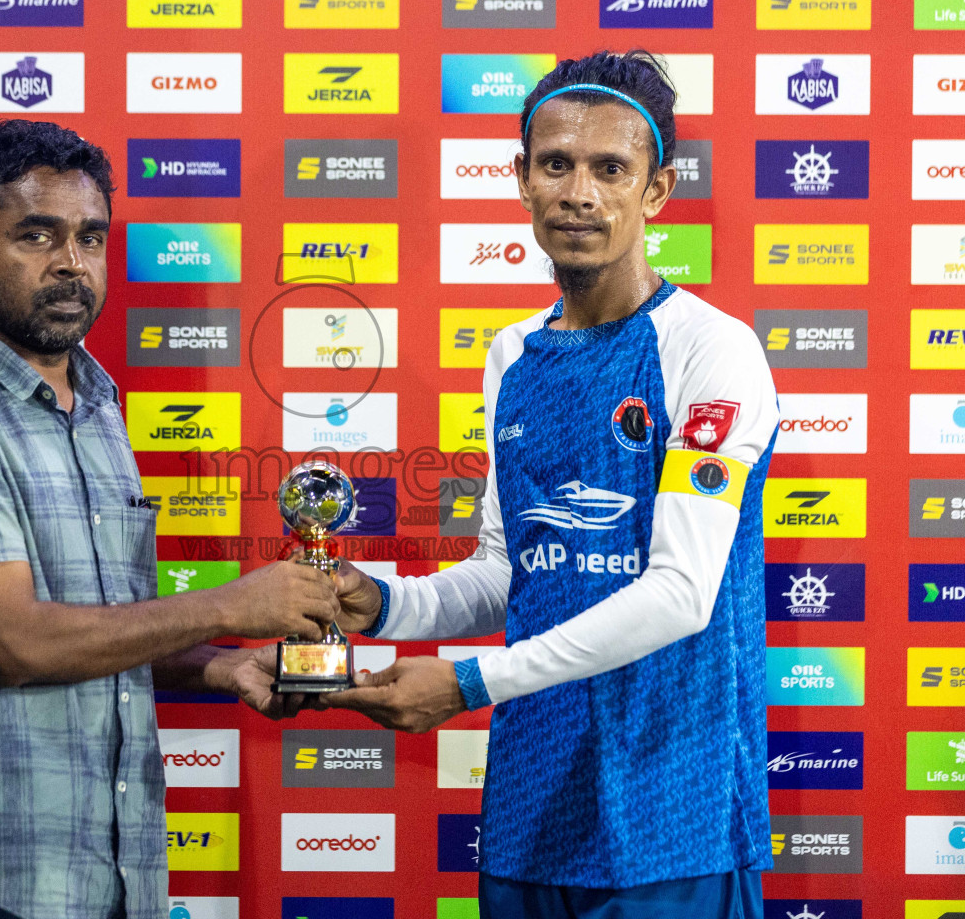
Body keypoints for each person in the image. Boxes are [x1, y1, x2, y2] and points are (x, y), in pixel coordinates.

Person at [325, 51, 779, 917]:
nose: (580, 192)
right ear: (522, 180)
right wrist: (379, 607)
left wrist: (465, 684)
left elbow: (682, 594)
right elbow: (511, 572)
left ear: (656, 192)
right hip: (534, 801)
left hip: (671, 809)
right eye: (556, 164)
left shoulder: (710, 349)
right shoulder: (511, 355)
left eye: (612, 169)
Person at [0, 119, 336, 919]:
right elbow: (17, 643)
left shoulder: (100, 407)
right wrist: (233, 604)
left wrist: (218, 666)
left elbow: (106, 632)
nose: (70, 264)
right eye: (36, 236)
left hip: (115, 872)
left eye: (90, 237)